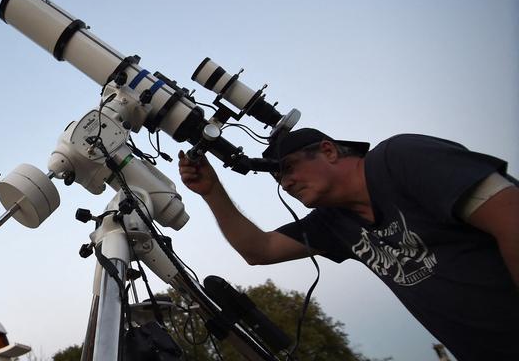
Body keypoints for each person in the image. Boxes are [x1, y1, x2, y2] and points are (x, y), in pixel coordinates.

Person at [177, 128, 519, 361]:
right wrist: (212, 192)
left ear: (328, 150)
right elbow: (259, 250)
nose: (287, 182)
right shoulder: (334, 221)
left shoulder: (399, 158)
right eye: (279, 177)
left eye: (290, 168)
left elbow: (510, 216)